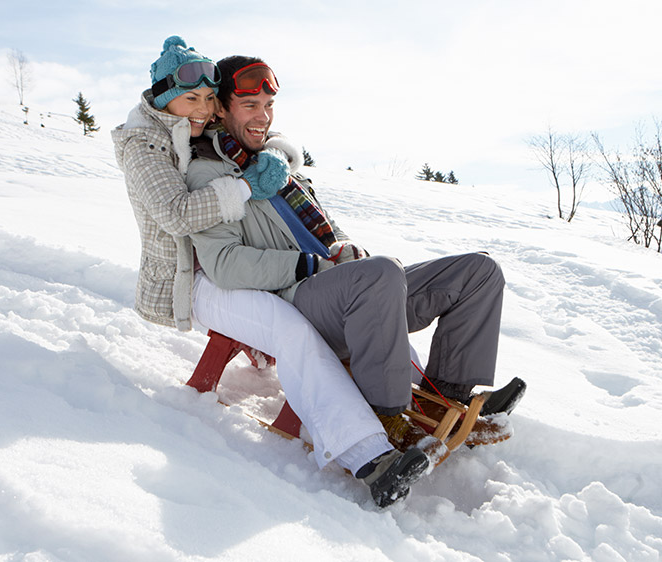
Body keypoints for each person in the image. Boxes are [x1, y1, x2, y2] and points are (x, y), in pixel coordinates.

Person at [111, 36, 429, 508]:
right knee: (292, 328)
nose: (199, 109)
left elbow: (246, 147)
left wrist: (273, 160)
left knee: (360, 293)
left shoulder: (201, 131)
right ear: (162, 98)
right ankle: (367, 456)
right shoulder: (146, 143)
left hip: (235, 262)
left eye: (206, 99)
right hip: (197, 277)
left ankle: (418, 390)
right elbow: (177, 215)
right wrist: (242, 186)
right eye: (189, 98)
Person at [186, 55, 527, 449]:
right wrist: (312, 264)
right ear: (221, 108)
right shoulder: (209, 175)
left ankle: (448, 396)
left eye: (269, 106)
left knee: (479, 272)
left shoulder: (277, 166)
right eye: (250, 106)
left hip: (352, 288)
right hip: (299, 298)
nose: (263, 117)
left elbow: (326, 226)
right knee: (381, 273)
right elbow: (224, 264)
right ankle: (387, 413)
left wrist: (344, 247)